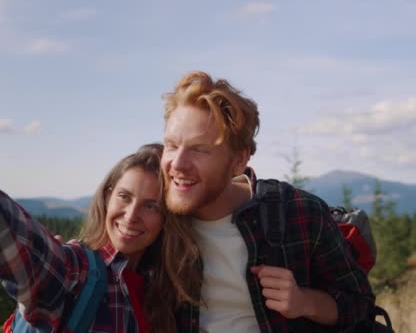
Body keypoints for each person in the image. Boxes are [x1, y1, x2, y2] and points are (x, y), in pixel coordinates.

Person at [0, 88, 201, 333]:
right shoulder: (76, 272)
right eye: (124, 196)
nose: (131, 215)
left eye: (150, 206)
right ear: (106, 196)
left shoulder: (165, 295)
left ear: (167, 219)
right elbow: (23, 246)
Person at [161, 71, 375, 332]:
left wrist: (304, 302)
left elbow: (359, 304)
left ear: (238, 161)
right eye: (171, 146)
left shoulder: (299, 213)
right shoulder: (156, 220)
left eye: (199, 150)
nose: (178, 164)